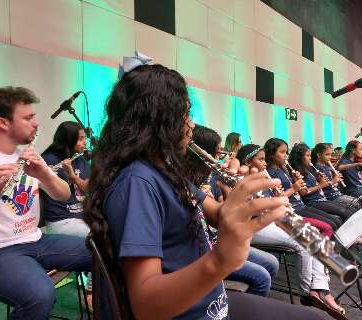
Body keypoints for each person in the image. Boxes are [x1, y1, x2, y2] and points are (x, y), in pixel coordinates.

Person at [83, 59, 325, 319]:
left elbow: (218, 214)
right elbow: (146, 306)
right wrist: (220, 260)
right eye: (186, 115)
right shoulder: (136, 183)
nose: (192, 126)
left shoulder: (165, 171)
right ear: (159, 122)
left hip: (210, 303)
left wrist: (246, 204)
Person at [0, 86, 92, 320]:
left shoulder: (28, 155)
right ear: (3, 123)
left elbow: (64, 195)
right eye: (28, 118)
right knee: (40, 294)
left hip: (35, 240)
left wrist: (44, 175)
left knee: (105, 251)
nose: (36, 123)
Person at [236, 143, 346, 319]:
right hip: (255, 225)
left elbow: (273, 201)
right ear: (248, 161)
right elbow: (250, 211)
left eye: (265, 159)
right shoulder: (241, 179)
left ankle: (322, 288)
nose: (264, 163)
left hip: (276, 217)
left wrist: (279, 197)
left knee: (315, 236)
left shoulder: (263, 177)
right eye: (260, 160)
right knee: (302, 243)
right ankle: (307, 292)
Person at [184, 124, 280, 297]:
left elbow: (222, 211)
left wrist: (233, 194)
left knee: (272, 263)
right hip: (204, 247)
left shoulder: (210, 178)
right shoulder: (185, 182)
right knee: (262, 278)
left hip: (215, 238)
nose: (220, 158)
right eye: (217, 152)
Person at [41, 120, 93, 308]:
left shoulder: (79, 159)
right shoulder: (48, 160)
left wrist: (73, 175)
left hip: (80, 218)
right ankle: (90, 293)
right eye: (80, 139)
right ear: (68, 140)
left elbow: (88, 188)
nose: (84, 143)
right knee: (99, 238)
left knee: (111, 227)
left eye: (84, 138)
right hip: (60, 220)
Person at [289, 143, 353, 222]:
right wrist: (322, 184)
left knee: (349, 210)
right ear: (300, 157)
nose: (310, 158)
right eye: (307, 156)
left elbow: (320, 185)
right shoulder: (298, 171)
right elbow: (304, 192)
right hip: (314, 202)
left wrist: (321, 180)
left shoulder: (308, 169)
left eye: (310, 156)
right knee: (343, 214)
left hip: (322, 199)